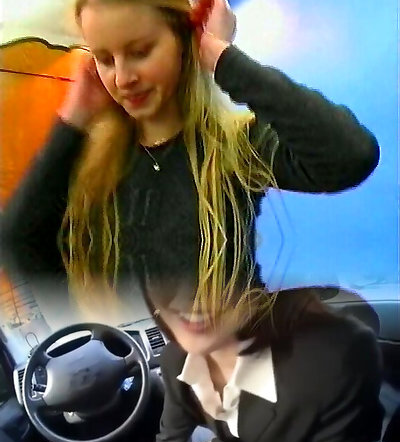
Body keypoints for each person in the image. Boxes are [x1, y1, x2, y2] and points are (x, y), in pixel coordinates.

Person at [1, 0, 379, 318]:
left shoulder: (235, 146)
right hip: (133, 373)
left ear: (185, 41)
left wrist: (221, 57)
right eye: (105, 59)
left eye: (139, 52)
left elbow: (351, 156)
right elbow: (18, 239)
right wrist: (73, 119)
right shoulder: (85, 163)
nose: (123, 77)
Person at [144, 285, 383, 442]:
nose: (182, 299)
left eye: (214, 274)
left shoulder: (330, 365)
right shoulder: (175, 359)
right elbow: (170, 437)